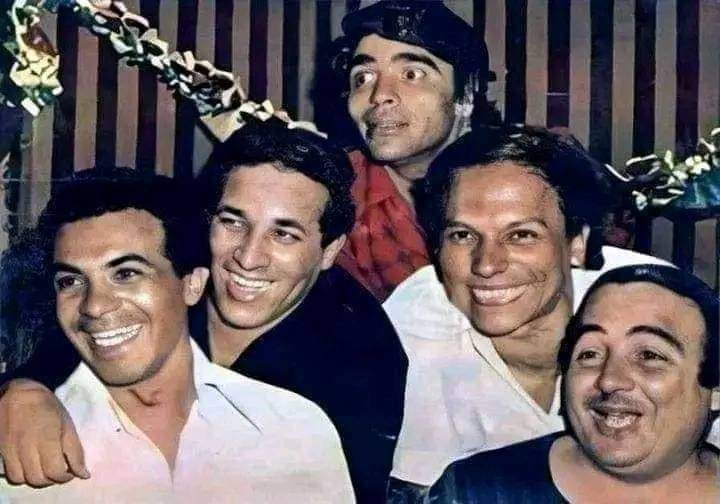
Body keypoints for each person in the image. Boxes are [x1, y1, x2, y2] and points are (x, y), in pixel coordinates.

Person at [0, 123, 407, 503]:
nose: (248, 257)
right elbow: (82, 329)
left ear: (330, 251)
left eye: (283, 233)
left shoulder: (363, 360)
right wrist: (24, 389)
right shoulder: (170, 275)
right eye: (233, 222)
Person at [384, 126, 675, 486]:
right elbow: (416, 485)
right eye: (463, 235)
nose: (486, 265)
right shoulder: (415, 321)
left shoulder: (658, 302)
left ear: (576, 243)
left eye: (521, 235)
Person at [416, 264, 719, 503]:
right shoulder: (474, 493)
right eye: (589, 354)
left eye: (649, 355)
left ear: (715, 390)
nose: (609, 380)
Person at [328, 0, 501, 300]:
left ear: (466, 93)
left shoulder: (531, 181)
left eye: (411, 74)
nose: (379, 95)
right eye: (363, 77)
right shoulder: (335, 192)